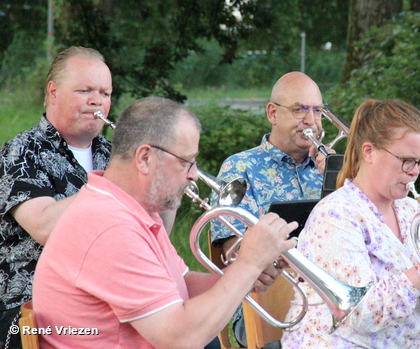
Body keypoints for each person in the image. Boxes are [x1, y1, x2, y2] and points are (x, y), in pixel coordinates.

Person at [32, 97, 298, 349]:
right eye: (186, 162)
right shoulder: (111, 228)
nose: (194, 175)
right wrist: (248, 265)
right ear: (145, 158)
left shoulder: (132, 210)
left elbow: (182, 284)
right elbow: (180, 338)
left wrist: (247, 274)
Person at [281, 99, 420, 348]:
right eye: (406, 160)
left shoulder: (411, 211)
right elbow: (363, 313)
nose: (414, 171)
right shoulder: (336, 215)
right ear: (369, 151)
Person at [0, 46, 112, 349]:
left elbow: (154, 235)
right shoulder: (21, 152)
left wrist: (167, 189)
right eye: (85, 90)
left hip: (108, 301)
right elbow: (46, 228)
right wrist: (112, 183)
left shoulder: (114, 156)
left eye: (105, 93)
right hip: (30, 311)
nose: (96, 101)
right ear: (53, 92)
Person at [211, 72, 331, 348]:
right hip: (266, 306)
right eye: (300, 109)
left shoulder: (334, 169)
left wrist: (343, 185)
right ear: (272, 113)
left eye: (317, 111)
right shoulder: (240, 168)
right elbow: (234, 252)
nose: (311, 121)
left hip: (330, 301)